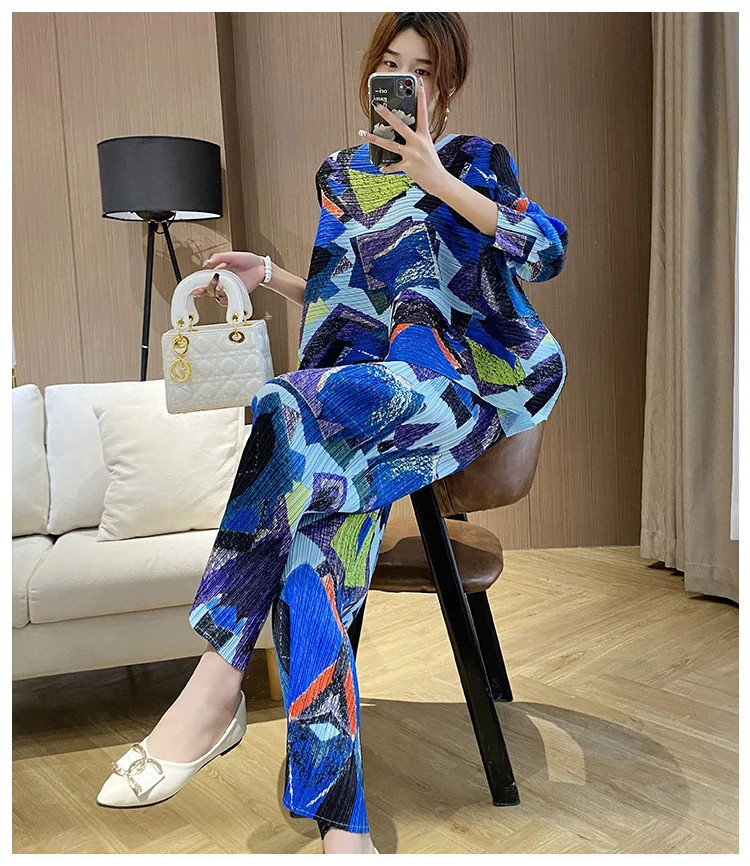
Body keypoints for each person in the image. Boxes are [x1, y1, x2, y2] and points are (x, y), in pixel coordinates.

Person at [96, 12, 568, 855]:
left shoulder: (475, 161)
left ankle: (215, 683)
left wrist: (436, 177)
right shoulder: (340, 177)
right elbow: (343, 306)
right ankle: (344, 831)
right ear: (370, 73)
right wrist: (271, 274)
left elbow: (545, 252)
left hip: (459, 387)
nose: (404, 81)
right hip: (374, 388)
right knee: (316, 550)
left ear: (445, 87)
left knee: (285, 404)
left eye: (423, 69)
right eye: (391, 62)